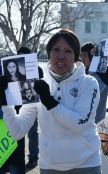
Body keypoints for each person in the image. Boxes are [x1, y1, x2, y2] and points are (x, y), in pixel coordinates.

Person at [0, 29, 101, 174]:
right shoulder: (38, 85)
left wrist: (49, 102)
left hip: (86, 165)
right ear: (49, 53)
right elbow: (17, 131)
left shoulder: (88, 83)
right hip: (50, 167)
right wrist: (6, 104)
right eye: (56, 50)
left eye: (68, 51)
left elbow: (79, 124)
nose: (61, 56)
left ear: (76, 56)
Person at [17, 46, 42, 171]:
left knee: (32, 133)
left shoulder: (37, 69)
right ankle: (15, 159)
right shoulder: (14, 69)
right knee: (16, 134)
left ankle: (33, 158)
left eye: (24, 56)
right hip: (17, 105)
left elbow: (42, 86)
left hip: (32, 105)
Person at [80, 42, 108, 123]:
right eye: (81, 56)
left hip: (96, 121)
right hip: (83, 121)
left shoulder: (101, 73)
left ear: (92, 56)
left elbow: (91, 93)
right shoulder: (84, 71)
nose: (82, 59)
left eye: (84, 56)